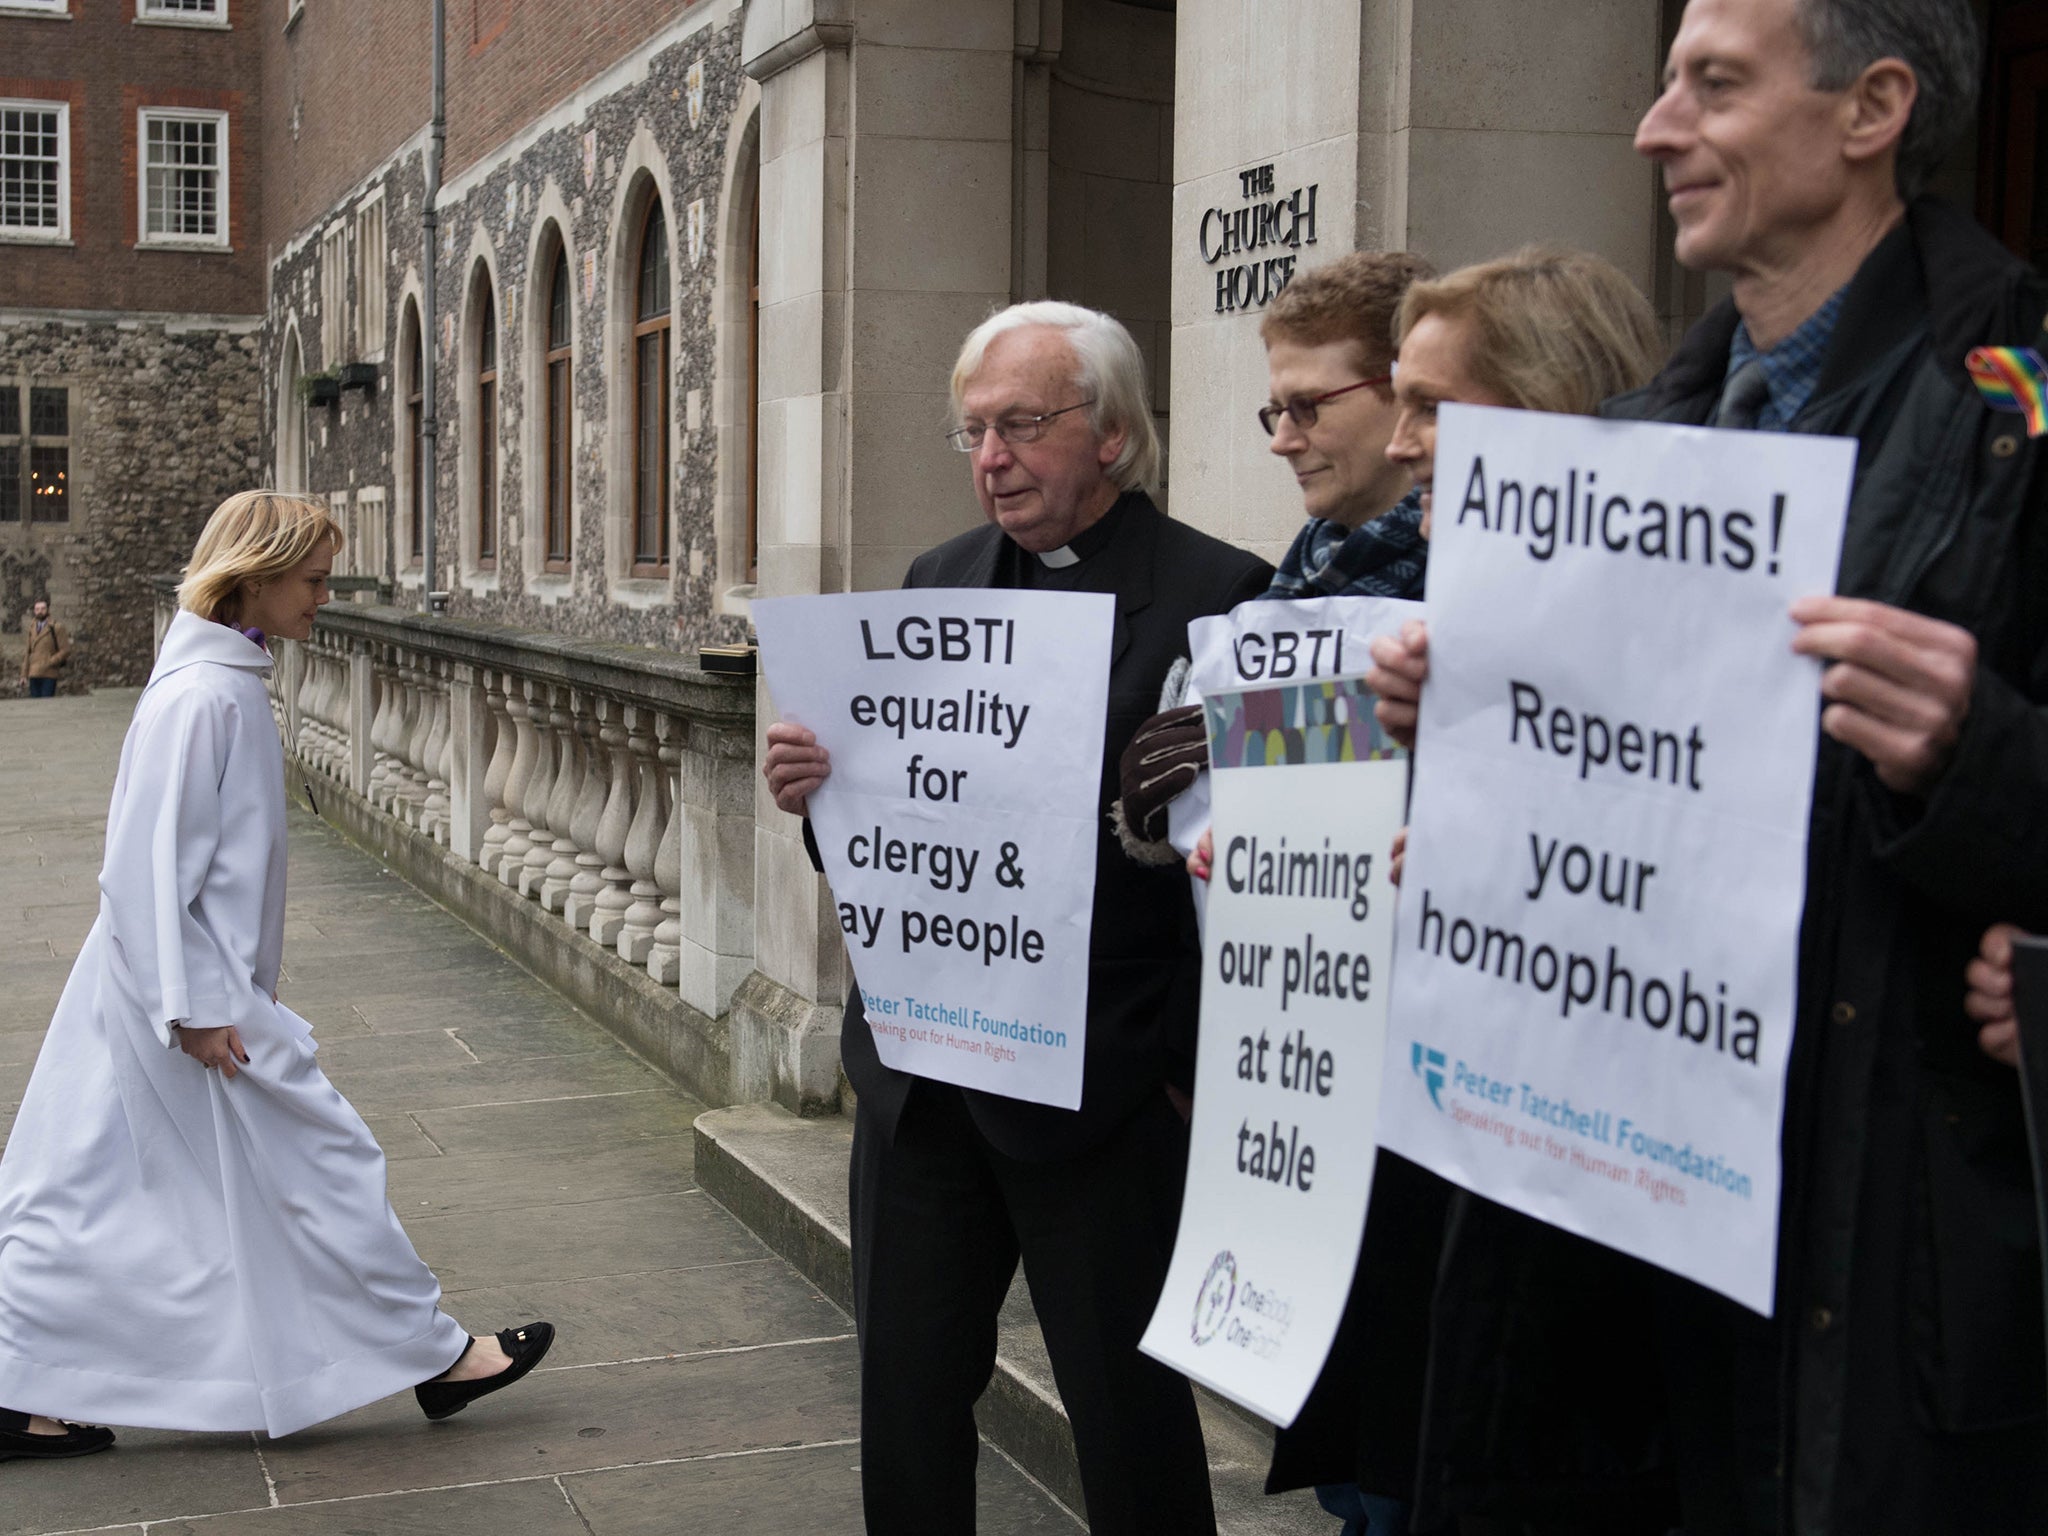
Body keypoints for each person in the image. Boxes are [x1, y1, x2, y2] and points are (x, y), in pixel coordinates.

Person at [1369, 1, 2048, 1529]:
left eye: (1712, 85)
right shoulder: (1628, 447)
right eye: (1664, 79)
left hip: (1879, 1267)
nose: (1651, 128)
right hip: (1620, 1260)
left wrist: (1980, 752)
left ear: (1871, 110)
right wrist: (1471, 754)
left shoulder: (2027, 412)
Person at [1168, 247, 1661, 1536]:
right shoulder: (1295, 587)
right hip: (1353, 1133)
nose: (1404, 437)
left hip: (1539, 1206)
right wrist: (1245, 850)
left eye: (1430, 405)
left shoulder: (1632, 621)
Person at [761, 301, 1271, 1533]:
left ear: (1111, 434)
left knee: (1127, 1424)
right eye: (974, 431)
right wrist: (816, 799)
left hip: (1102, 1088)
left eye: (1021, 426)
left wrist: (1184, 1072)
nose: (990, 457)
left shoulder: (1221, 596)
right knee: (907, 1405)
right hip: (922, 1087)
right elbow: (897, 841)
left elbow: (1257, 872)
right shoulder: (936, 583)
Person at [0, 491, 552, 1463]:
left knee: (82, 1188)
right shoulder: (204, 698)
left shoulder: (217, 685)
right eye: (313, 580)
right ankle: (435, 1357)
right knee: (321, 1161)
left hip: (177, 991)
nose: (324, 598)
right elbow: (140, 869)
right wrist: (200, 1011)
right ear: (251, 578)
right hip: (183, 999)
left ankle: (26, 1396)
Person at [19, 598, 68, 698]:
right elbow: (28, 652)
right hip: (33, 673)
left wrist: (51, 661)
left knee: (46, 704)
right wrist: (24, 675)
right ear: (34, 611)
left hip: (49, 673)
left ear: (48, 610)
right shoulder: (31, 628)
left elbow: (66, 650)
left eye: (43, 609)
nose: (40, 611)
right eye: (37, 609)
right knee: (35, 705)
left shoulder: (56, 627)